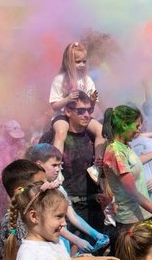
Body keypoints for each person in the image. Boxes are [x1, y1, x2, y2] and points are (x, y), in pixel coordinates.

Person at [100, 105, 152, 235]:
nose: (139, 130)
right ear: (124, 125)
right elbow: (133, 193)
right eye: (136, 126)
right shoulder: (116, 152)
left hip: (142, 215)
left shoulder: (125, 146)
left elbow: (135, 162)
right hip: (131, 222)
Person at [24, 143, 109, 254]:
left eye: (60, 165)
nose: (58, 169)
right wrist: (77, 240)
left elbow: (72, 216)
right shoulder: (34, 192)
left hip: (61, 243)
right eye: (54, 165)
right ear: (39, 164)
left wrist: (96, 234)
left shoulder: (58, 187)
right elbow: (50, 223)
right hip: (45, 245)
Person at [39, 91, 104, 232]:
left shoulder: (93, 136)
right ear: (68, 111)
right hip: (66, 209)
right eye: (80, 111)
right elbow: (39, 171)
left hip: (93, 208)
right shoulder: (52, 136)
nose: (86, 115)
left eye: (89, 110)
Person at [49, 41, 105, 159]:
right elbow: (54, 106)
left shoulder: (87, 80)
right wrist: (67, 99)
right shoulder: (59, 79)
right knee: (61, 131)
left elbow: (92, 108)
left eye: (84, 61)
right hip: (62, 115)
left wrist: (93, 101)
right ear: (69, 62)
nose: (82, 65)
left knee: (101, 130)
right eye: (78, 62)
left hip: (82, 115)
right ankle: (57, 163)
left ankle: (98, 165)